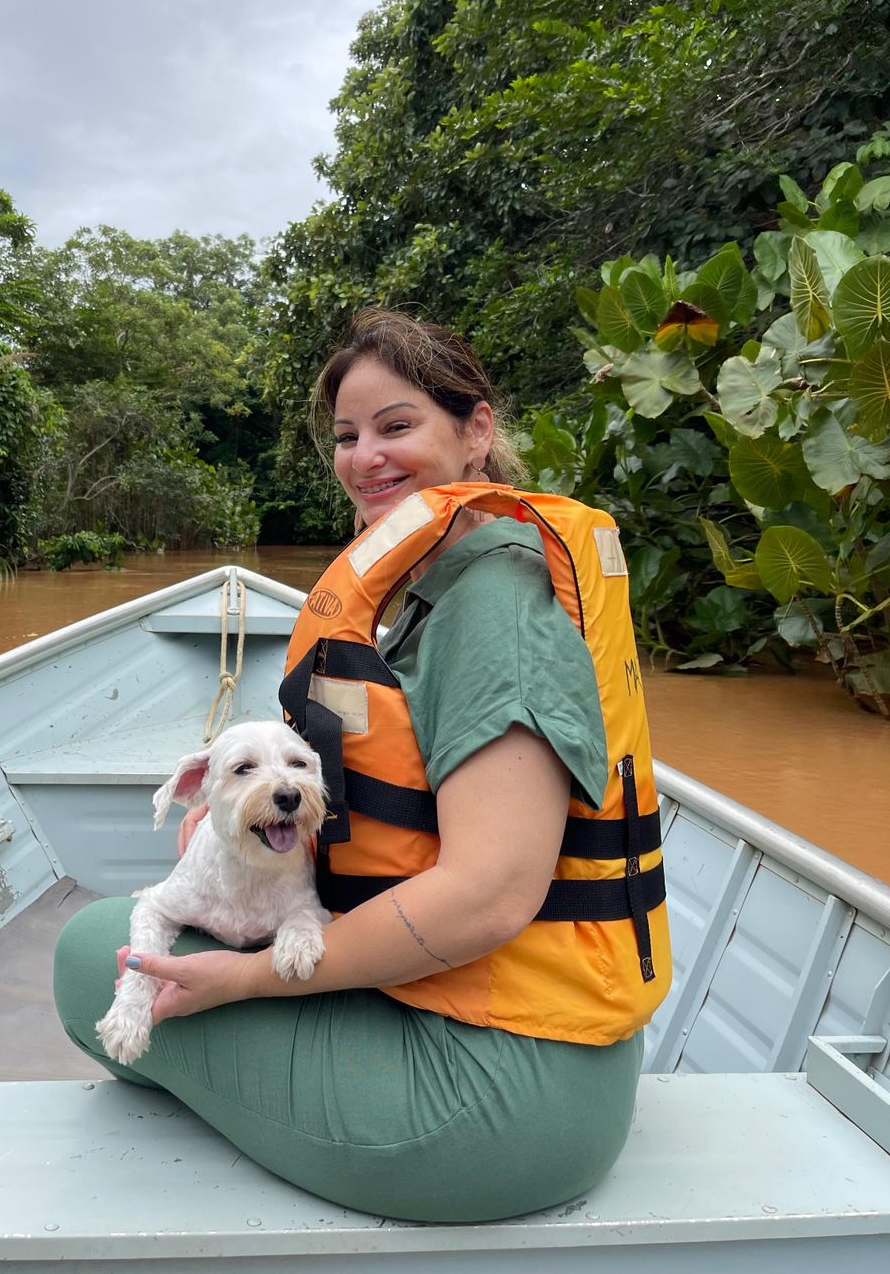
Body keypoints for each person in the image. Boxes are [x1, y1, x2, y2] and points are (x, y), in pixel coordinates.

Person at [53, 306, 670, 1222]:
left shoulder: (492, 606)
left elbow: (490, 895)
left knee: (83, 953)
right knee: (156, 934)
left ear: (478, 431)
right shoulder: (442, 584)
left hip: (498, 1094)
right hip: (533, 1037)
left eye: (397, 426)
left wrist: (252, 978)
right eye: (347, 436)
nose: (364, 457)